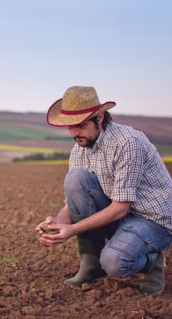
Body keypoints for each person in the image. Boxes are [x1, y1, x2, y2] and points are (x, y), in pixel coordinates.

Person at [35, 86, 172, 294]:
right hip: (121, 214)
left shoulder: (128, 142)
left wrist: (71, 230)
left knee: (115, 263)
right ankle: (91, 266)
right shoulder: (80, 148)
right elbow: (72, 202)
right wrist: (56, 224)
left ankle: (151, 262)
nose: (74, 133)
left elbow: (119, 208)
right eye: (70, 127)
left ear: (99, 118)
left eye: (80, 125)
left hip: (153, 219)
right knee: (76, 178)